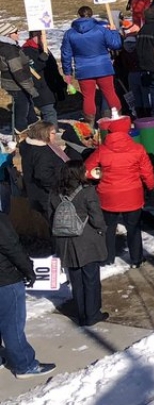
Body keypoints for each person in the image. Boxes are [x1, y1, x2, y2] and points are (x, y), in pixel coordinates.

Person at [85, 116, 154, 268]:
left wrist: (101, 175)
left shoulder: (102, 150)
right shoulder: (138, 149)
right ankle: (136, 259)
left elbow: (87, 170)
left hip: (108, 196)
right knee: (134, 228)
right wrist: (151, 187)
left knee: (108, 229)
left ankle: (107, 258)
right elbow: (147, 172)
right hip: (132, 195)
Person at [50, 162, 109, 325]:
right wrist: (102, 230)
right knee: (91, 280)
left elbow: (51, 217)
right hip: (87, 240)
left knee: (76, 281)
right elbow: (97, 217)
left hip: (65, 242)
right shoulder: (88, 191)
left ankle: (81, 313)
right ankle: (92, 314)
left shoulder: (55, 193)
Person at [0, 212, 55, 377]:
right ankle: (24, 364)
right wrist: (28, 269)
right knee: (12, 324)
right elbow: (12, 247)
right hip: (6, 279)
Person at [61, 6, 123, 121]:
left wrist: (67, 72)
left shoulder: (70, 34)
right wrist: (114, 32)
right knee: (110, 93)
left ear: (78, 15)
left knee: (88, 97)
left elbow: (66, 55)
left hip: (83, 69)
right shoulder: (101, 29)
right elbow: (116, 45)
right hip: (103, 67)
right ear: (91, 14)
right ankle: (117, 118)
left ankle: (90, 124)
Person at [0, 25, 56, 132]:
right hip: (16, 84)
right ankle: (21, 131)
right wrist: (31, 89)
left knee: (28, 104)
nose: (18, 34)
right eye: (15, 32)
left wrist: (37, 60)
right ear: (8, 35)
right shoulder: (9, 50)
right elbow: (18, 72)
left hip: (14, 82)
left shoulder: (10, 46)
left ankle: (32, 123)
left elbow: (22, 61)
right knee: (22, 107)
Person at [18, 121, 66, 223]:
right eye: (53, 133)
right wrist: (58, 189)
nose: (55, 136)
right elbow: (43, 175)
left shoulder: (28, 146)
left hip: (36, 193)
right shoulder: (42, 152)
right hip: (46, 196)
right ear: (44, 134)